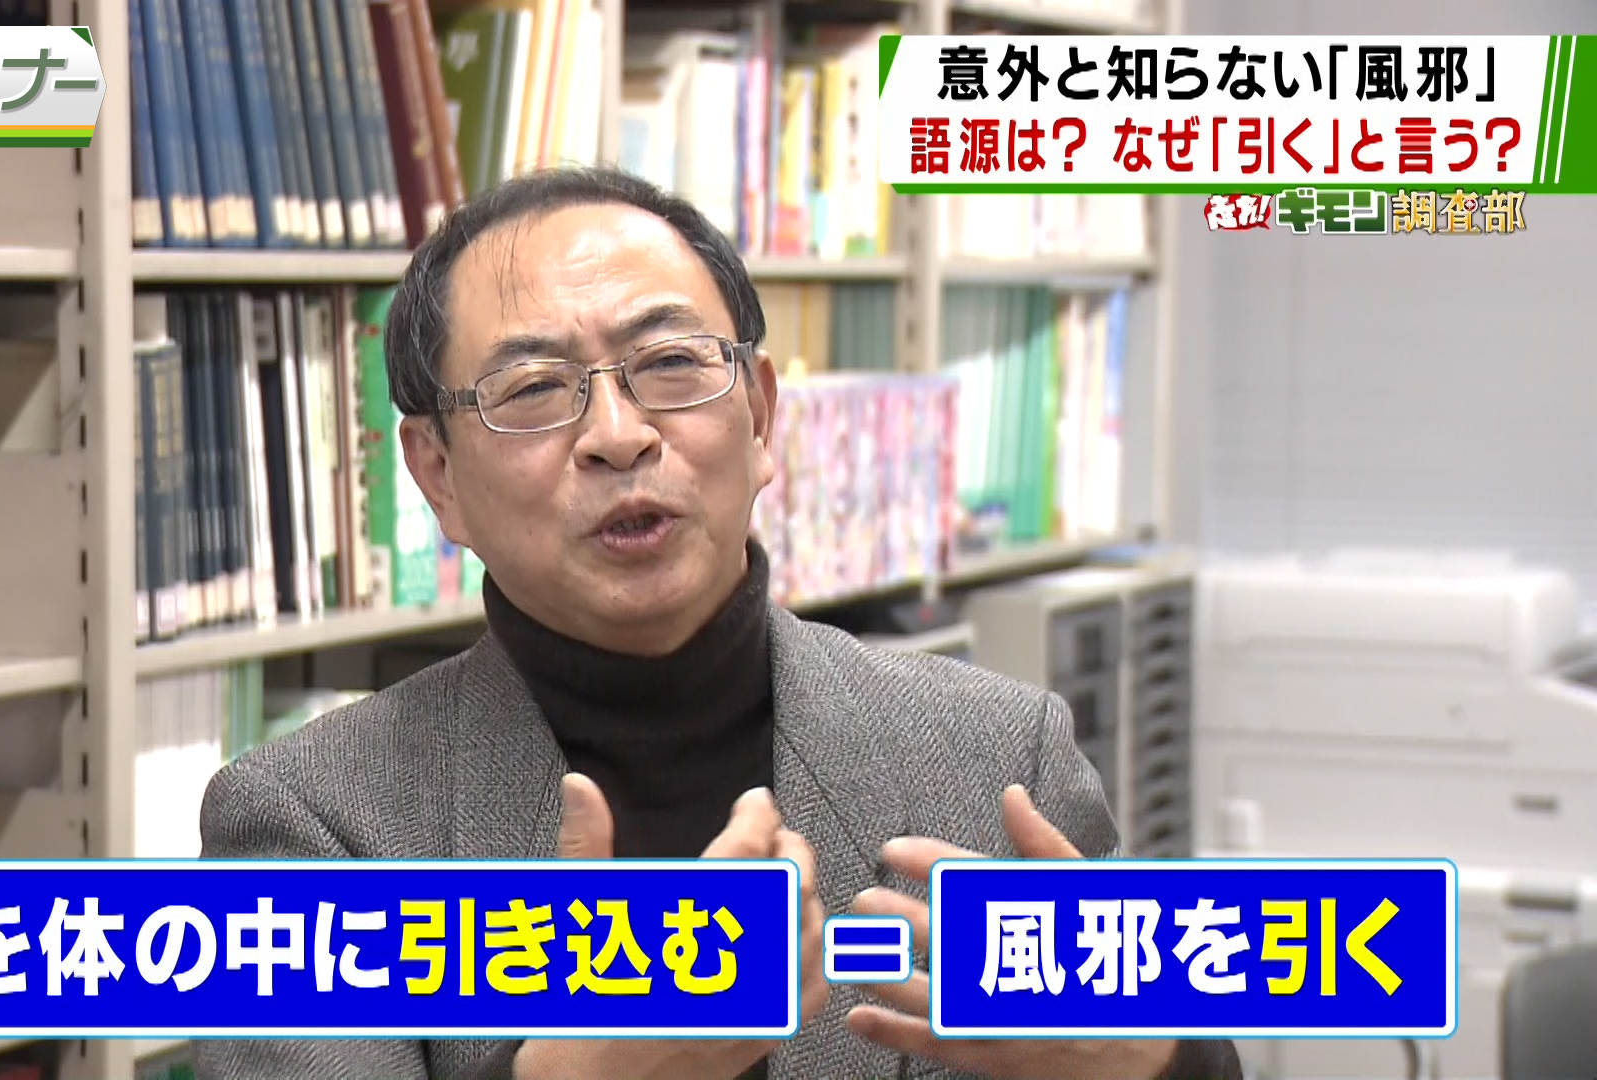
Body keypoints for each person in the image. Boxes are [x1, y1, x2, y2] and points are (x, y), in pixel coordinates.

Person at [194, 165, 1242, 1080]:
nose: (617, 436)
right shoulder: (313, 828)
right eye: (534, 388)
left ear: (761, 415)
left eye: (670, 365)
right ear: (437, 476)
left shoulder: (997, 756)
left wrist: (1156, 1062)